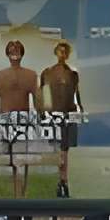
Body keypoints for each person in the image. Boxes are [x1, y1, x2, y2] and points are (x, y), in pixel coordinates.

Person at [0, 38, 39, 197]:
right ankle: (15, 195)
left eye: (17, 50)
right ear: (8, 54)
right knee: (10, 159)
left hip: (21, 120)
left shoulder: (30, 75)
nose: (14, 53)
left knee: (20, 158)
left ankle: (20, 195)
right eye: (12, 51)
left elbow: (37, 101)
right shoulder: (0, 76)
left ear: (21, 54)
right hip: (6, 120)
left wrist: (40, 120)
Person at [39, 40, 83, 198]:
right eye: (60, 51)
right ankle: (59, 182)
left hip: (68, 114)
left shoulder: (72, 74)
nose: (62, 54)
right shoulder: (47, 73)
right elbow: (42, 94)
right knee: (56, 151)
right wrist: (42, 112)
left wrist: (80, 110)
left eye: (65, 52)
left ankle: (63, 182)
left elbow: (76, 95)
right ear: (56, 52)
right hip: (53, 115)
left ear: (68, 54)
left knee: (64, 151)